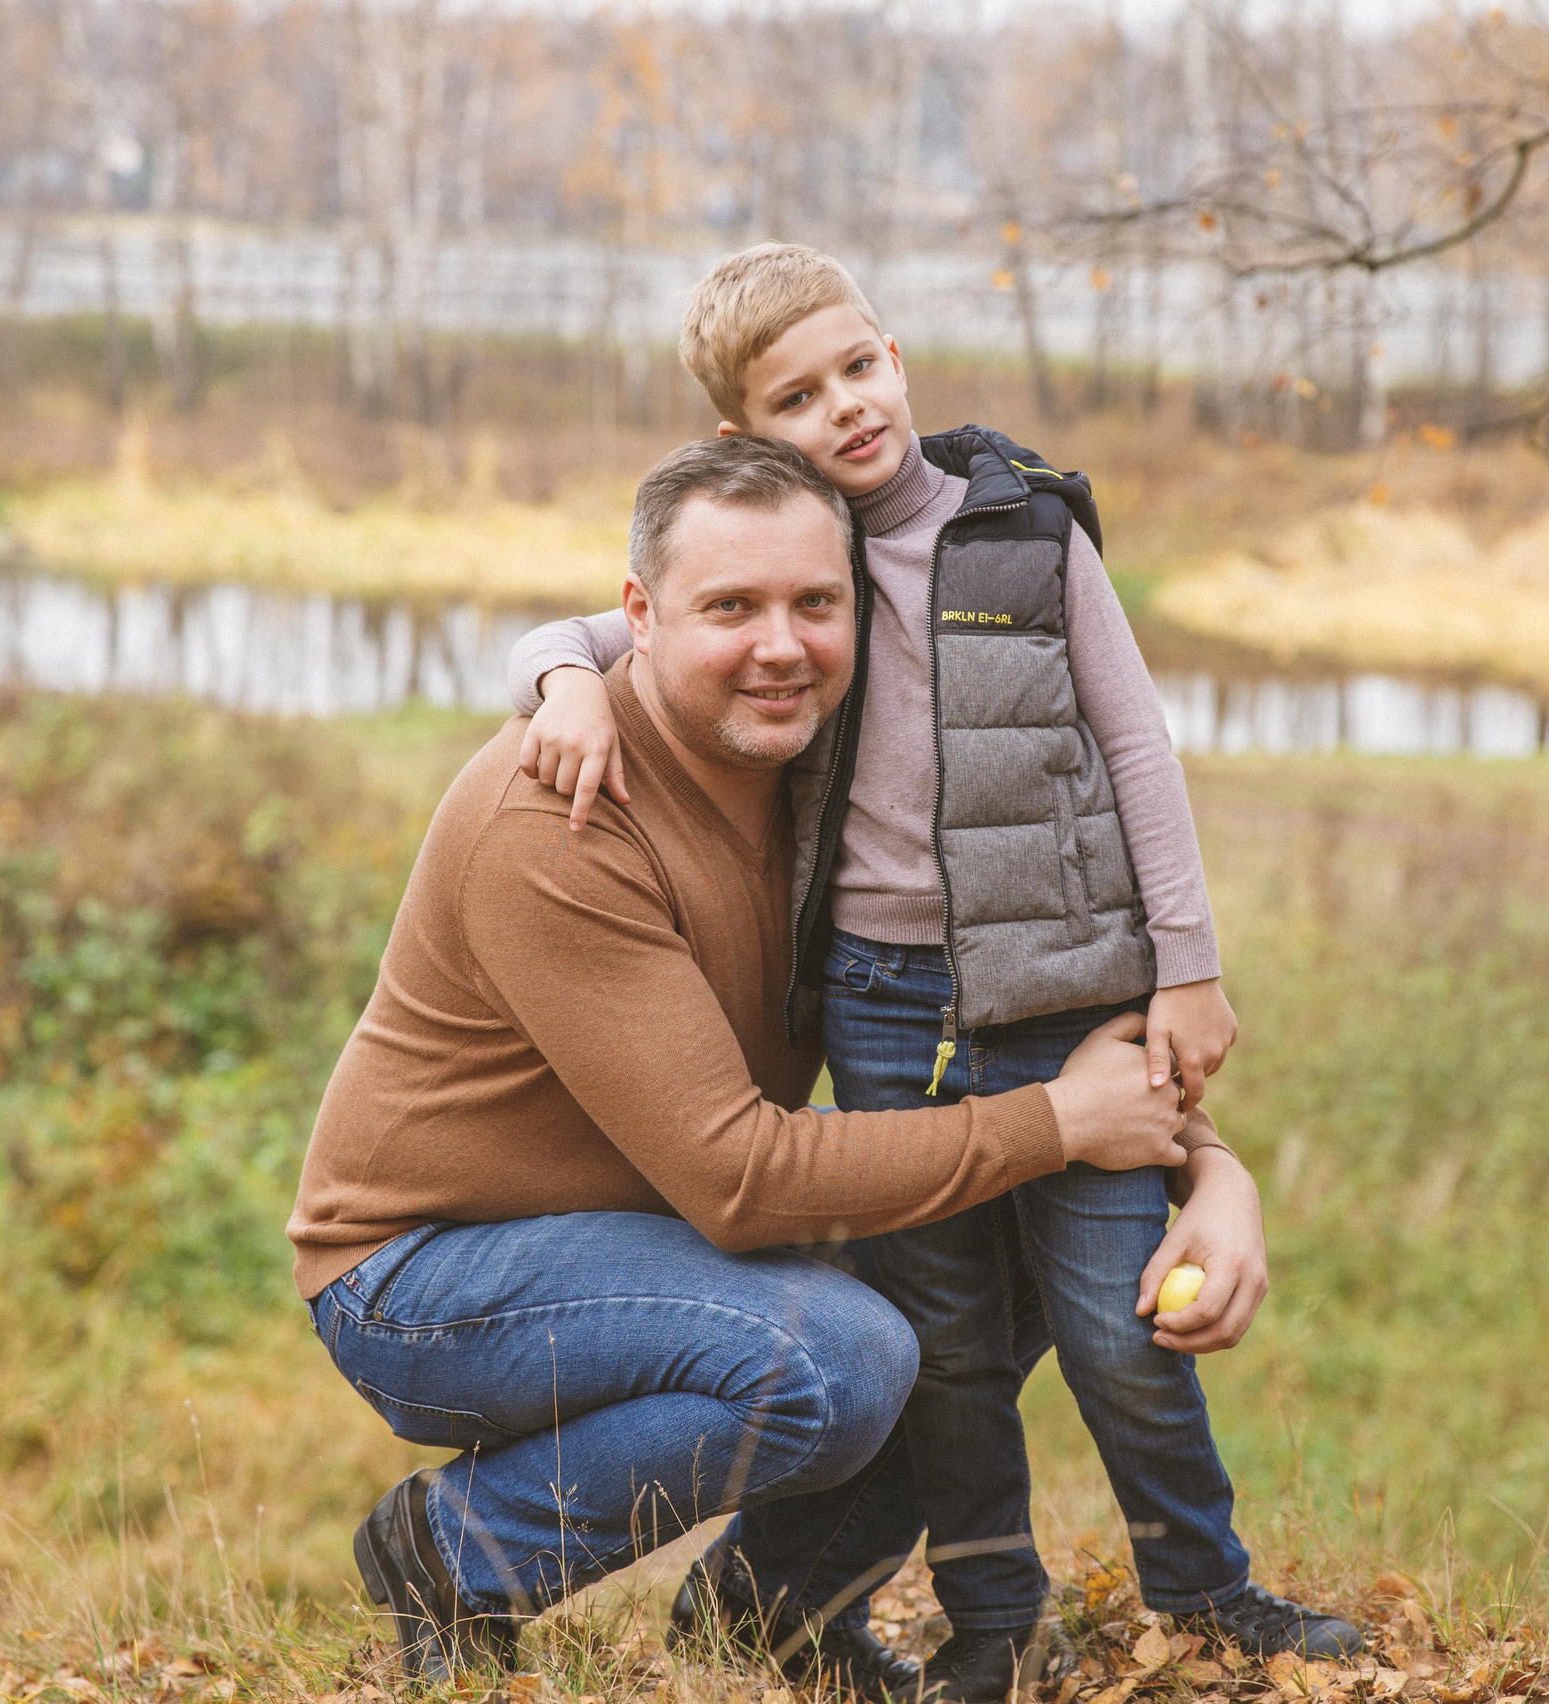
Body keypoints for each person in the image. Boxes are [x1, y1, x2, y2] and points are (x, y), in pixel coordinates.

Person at [503, 244, 1363, 1701]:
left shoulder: (1025, 531)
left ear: (895, 355)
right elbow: (590, 622)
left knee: (1114, 1327)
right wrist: (563, 683)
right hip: (884, 1001)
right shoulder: (794, 555)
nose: (844, 407)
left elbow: (1139, 745)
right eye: (797, 396)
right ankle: (990, 1624)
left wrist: (1190, 969)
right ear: (742, 435)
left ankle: (1209, 1592)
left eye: (858, 366)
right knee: (953, 1349)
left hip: (1067, 993)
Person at [286, 434, 1249, 1692]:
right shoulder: (559, 814)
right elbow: (739, 1178)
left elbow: (1031, 1006)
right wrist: (1060, 1126)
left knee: (988, 1253)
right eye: (729, 607)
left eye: (814, 603)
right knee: (840, 1357)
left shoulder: (831, 771)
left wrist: (1206, 1174)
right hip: (428, 1276)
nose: (780, 646)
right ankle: (458, 1552)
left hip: (656, 1233)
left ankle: (773, 1615)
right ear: (637, 615)